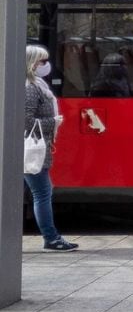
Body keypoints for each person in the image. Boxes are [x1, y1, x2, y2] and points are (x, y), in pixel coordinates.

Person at [24, 45, 78, 252]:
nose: (45, 66)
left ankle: (51, 237)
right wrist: (53, 121)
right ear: (32, 63)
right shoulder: (30, 87)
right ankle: (51, 238)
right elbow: (27, 121)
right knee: (42, 192)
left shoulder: (36, 84)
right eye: (41, 61)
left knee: (39, 191)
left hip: (36, 146)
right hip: (31, 149)